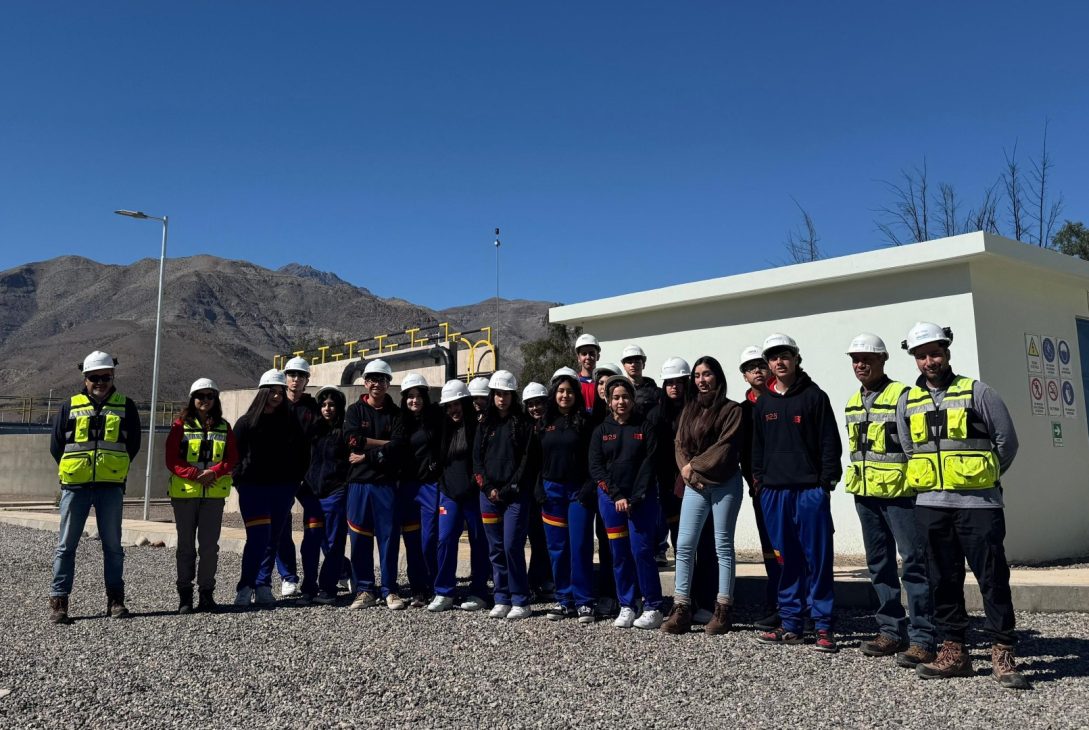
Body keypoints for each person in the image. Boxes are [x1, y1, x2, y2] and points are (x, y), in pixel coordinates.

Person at [896, 322, 1029, 690]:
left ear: (947, 351)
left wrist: (982, 477)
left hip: (979, 505)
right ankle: (955, 652)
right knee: (943, 579)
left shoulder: (978, 392)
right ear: (915, 359)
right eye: (921, 356)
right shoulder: (908, 401)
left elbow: (1007, 442)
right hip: (931, 505)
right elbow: (909, 449)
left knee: (992, 577)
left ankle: (1002, 652)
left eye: (935, 353)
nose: (929, 361)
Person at [843, 333, 936, 668]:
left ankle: (924, 637)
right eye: (855, 359)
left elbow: (915, 448)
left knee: (914, 563)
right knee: (878, 565)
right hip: (866, 496)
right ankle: (891, 631)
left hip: (901, 496)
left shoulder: (903, 396)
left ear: (883, 360)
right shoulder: (853, 402)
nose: (860, 364)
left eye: (867, 358)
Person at [752, 334, 842, 653]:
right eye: (773, 357)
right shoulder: (763, 402)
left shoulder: (815, 397)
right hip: (774, 493)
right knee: (786, 559)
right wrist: (761, 483)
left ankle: (823, 626)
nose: (779, 361)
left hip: (809, 492)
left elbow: (830, 443)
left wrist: (825, 484)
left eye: (785, 355)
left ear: (795, 359)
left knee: (817, 559)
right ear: (769, 364)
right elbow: (757, 449)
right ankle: (791, 623)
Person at [48, 351, 142, 624]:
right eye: (95, 377)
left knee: (113, 546)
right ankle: (59, 603)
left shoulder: (126, 406)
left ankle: (115, 601)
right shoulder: (69, 406)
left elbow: (133, 444)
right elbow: (57, 446)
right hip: (75, 487)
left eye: (106, 377)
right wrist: (75, 470)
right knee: (66, 546)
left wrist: (113, 467)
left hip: (110, 487)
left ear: (113, 377)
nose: (100, 382)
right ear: (85, 378)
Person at [661, 357, 746, 636]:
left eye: (707, 374)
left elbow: (725, 447)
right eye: (697, 375)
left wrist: (692, 467)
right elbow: (679, 444)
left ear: (717, 377)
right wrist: (687, 472)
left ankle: (723, 608)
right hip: (695, 485)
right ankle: (682, 606)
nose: (701, 380)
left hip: (724, 484)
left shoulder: (731, 410)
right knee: (684, 545)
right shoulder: (690, 409)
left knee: (722, 545)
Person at [589, 375, 664, 630]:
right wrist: (617, 495)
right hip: (612, 501)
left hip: (640, 501)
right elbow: (597, 467)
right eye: (616, 397)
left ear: (633, 399)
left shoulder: (645, 427)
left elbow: (650, 464)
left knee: (642, 551)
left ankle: (653, 605)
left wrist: (635, 496)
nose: (621, 402)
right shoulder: (601, 431)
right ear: (609, 401)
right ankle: (627, 604)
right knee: (619, 554)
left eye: (626, 397)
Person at [232, 369, 309, 607]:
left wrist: (295, 481)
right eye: (272, 392)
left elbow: (303, 453)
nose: (276, 396)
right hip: (253, 489)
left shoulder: (290, 423)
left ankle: (263, 585)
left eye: (280, 392)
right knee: (257, 538)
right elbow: (234, 454)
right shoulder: (246, 423)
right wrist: (240, 482)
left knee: (273, 538)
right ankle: (245, 586)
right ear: (262, 392)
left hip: (283, 489)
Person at [165, 378, 238, 614]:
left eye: (209, 396)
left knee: (209, 547)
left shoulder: (223, 427)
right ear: (192, 398)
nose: (205, 400)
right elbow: (171, 459)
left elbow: (231, 458)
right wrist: (195, 474)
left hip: (213, 494)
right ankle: (184, 595)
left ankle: (206, 593)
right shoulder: (180, 425)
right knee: (185, 546)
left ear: (215, 399)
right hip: (185, 493)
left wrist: (214, 472)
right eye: (200, 396)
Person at [534, 369, 595, 622]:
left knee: (579, 545)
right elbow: (536, 460)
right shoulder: (544, 423)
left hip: (578, 492)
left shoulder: (586, 422)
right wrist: (538, 487)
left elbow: (595, 459)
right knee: (557, 548)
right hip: (551, 492)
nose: (565, 395)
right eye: (560, 390)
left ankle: (584, 602)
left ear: (576, 394)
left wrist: (589, 487)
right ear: (553, 393)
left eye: (570, 391)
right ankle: (563, 600)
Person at [474, 370, 535, 620]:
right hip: (488, 496)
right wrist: (488, 488)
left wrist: (510, 488)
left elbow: (526, 460)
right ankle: (501, 596)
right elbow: (476, 460)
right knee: (496, 548)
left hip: (515, 495)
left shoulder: (522, 423)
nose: (502, 398)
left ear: (513, 395)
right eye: (498, 393)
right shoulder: (484, 424)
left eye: (506, 394)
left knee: (512, 545)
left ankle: (521, 599)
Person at [344, 359, 404, 610]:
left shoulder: (396, 414)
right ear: (365, 382)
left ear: (389, 383)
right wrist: (384, 444)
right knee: (358, 536)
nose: (377, 384)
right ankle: (365, 589)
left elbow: (400, 445)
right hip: (359, 483)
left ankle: (390, 589)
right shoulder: (355, 411)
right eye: (372, 379)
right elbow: (351, 439)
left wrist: (367, 451)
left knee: (389, 538)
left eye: (382, 379)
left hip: (386, 484)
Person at [429, 380, 491, 612]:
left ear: (465, 403)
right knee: (445, 540)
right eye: (449, 406)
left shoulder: (479, 428)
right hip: (449, 493)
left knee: (479, 542)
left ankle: (478, 592)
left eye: (457, 405)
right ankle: (444, 591)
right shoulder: (443, 428)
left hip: (474, 495)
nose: (453, 410)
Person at [737, 345, 783, 630]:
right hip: (760, 489)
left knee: (793, 547)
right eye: (750, 367)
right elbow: (742, 452)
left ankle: (797, 604)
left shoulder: (785, 400)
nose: (756, 370)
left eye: (760, 365)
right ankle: (776, 601)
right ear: (744, 376)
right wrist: (753, 482)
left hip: (790, 487)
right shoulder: (742, 411)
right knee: (770, 547)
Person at [275, 356, 323, 600]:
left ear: (307, 380)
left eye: (300, 375)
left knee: (317, 526)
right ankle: (288, 577)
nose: (296, 379)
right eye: (292, 375)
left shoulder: (313, 407)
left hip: (308, 478)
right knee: (281, 527)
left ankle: (341, 568)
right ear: (286, 378)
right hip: (281, 478)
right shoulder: (275, 405)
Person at [391, 372, 441, 607]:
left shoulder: (436, 419)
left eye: (418, 395)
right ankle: (418, 589)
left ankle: (434, 584)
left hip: (429, 486)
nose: (414, 400)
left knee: (429, 538)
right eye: (410, 396)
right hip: (407, 488)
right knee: (412, 541)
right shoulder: (399, 421)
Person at [307, 386, 350, 605]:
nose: (327, 408)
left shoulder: (344, 432)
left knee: (334, 541)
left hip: (335, 491)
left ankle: (327, 588)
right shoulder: (313, 431)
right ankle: (344, 568)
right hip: (314, 493)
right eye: (323, 404)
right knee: (317, 541)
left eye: (332, 404)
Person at [522, 382, 556, 600]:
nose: (535, 408)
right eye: (531, 404)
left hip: (547, 490)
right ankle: (533, 582)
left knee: (546, 540)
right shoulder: (523, 428)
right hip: (526, 491)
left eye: (539, 403)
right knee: (535, 538)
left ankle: (544, 581)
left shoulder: (552, 427)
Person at [620, 344, 660, 414]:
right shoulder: (620, 390)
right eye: (629, 362)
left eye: (637, 361)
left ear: (643, 365)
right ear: (624, 366)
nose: (633, 365)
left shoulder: (656, 392)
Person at [574, 333, 602, 410]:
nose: (588, 357)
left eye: (591, 353)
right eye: (584, 354)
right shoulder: (574, 383)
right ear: (578, 358)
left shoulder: (602, 383)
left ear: (598, 356)